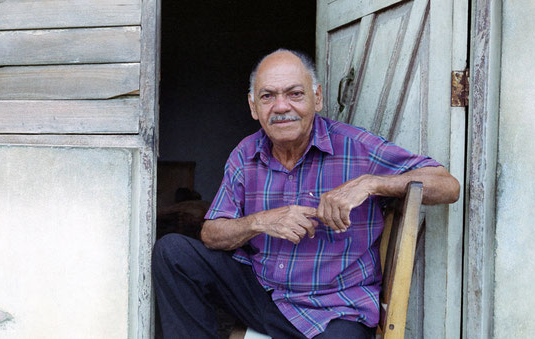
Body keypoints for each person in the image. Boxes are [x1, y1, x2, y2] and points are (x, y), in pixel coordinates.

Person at [152, 49, 460, 339]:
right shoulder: (245, 154)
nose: (282, 106)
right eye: (268, 96)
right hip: (262, 292)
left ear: (317, 97)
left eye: (295, 94)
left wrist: (370, 183)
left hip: (334, 309)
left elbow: (447, 185)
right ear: (253, 107)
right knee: (173, 252)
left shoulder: (357, 148)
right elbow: (211, 234)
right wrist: (259, 222)